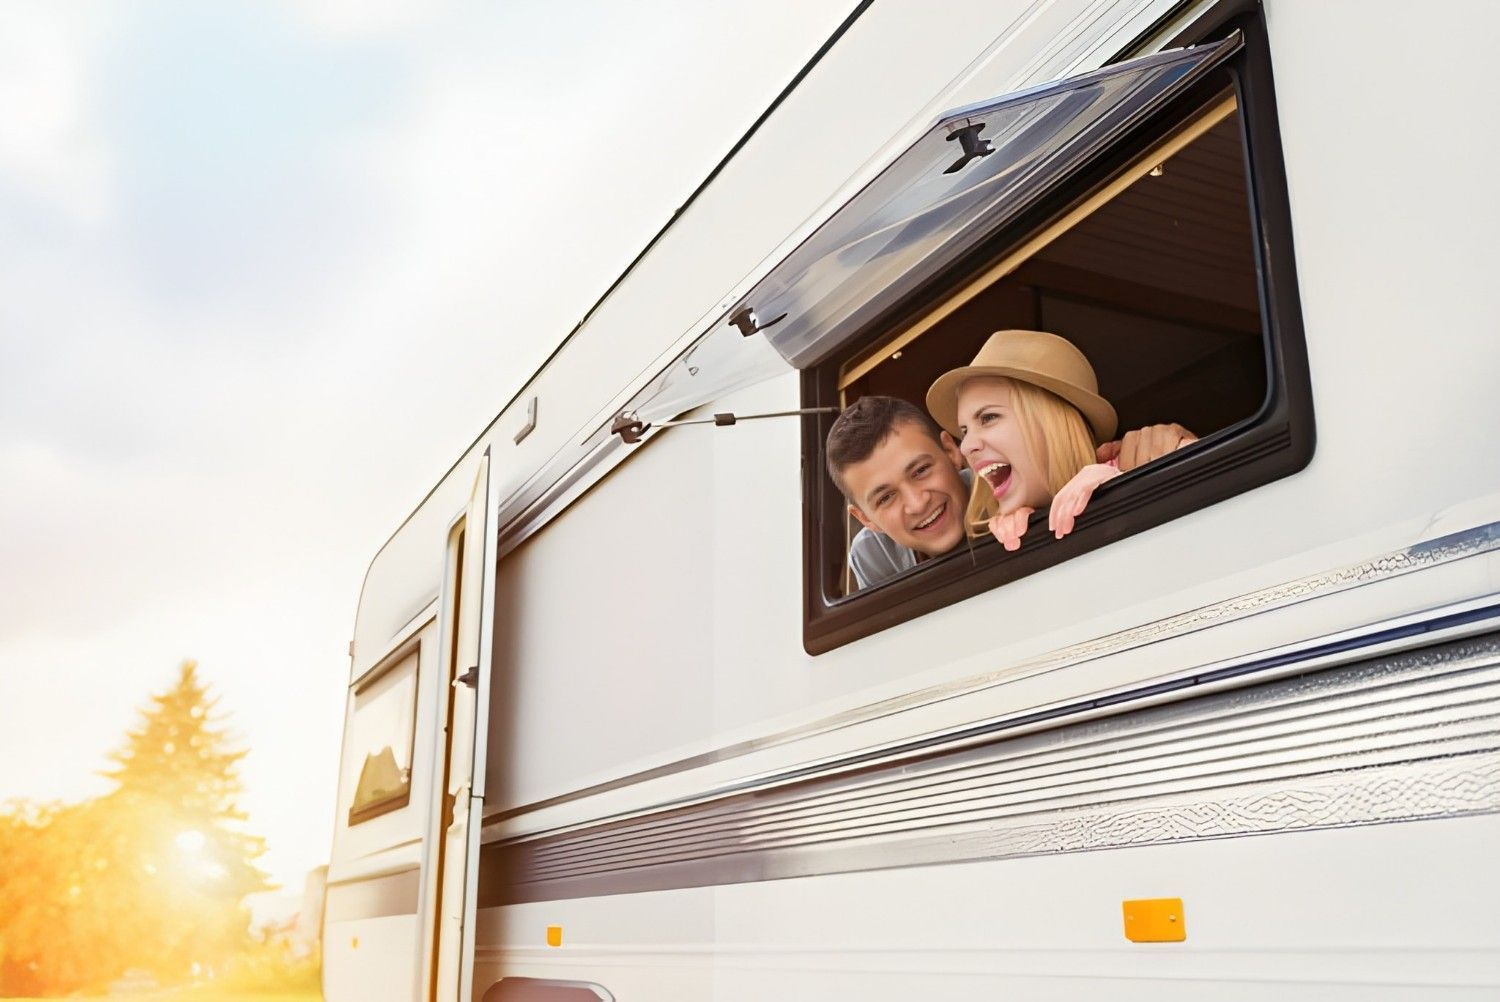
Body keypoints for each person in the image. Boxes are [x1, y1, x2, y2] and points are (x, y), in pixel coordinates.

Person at [828, 346, 1193, 591]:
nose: (916, 502)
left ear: (950, 452)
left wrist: (1129, 482)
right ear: (865, 519)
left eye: (921, 470)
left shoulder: (1126, 465)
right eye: (886, 496)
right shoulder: (873, 555)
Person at [926, 328, 1194, 553]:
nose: (966, 446)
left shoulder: (1155, 458)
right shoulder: (1011, 530)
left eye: (988, 418)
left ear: (1049, 421)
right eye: (965, 430)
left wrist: (1124, 493)